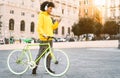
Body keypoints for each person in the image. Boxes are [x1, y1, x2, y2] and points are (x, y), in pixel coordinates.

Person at [32, 1, 61, 74]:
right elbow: (39, 27)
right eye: (50, 8)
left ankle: (48, 68)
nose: (51, 10)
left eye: (52, 9)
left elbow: (52, 27)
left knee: (49, 55)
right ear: (46, 8)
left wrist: (57, 22)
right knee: (40, 54)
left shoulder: (49, 17)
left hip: (50, 38)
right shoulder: (41, 15)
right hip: (44, 39)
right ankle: (34, 67)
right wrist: (43, 34)